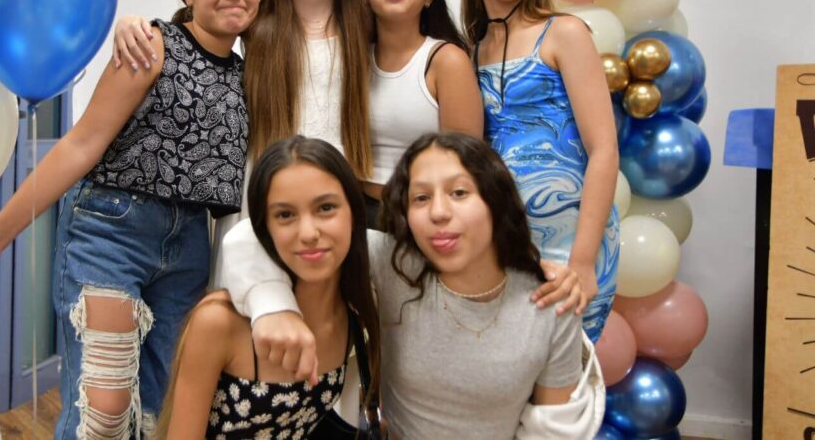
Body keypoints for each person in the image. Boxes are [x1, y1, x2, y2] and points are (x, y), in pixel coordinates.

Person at [0, 0, 264, 438]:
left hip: (191, 247)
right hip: (111, 231)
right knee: (103, 410)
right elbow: (81, 144)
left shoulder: (249, 74)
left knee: (163, 408)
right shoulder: (151, 46)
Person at [222, 132, 599, 438]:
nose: (438, 212)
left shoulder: (552, 298)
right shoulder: (393, 263)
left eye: (459, 193)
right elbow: (251, 235)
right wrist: (273, 307)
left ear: (495, 199)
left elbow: (555, 430)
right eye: (421, 198)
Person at [111, 0, 375, 278]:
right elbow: (194, 33)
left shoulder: (365, 18)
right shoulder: (259, 13)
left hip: (334, 190)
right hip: (262, 187)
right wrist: (132, 23)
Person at [437, 0, 620, 340]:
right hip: (505, 246)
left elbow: (604, 150)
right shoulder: (469, 52)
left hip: (572, 247)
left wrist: (583, 261)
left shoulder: (564, 34)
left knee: (567, 373)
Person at [154, 137, 380, 439]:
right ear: (263, 229)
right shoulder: (219, 322)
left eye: (326, 208)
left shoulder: (353, 315)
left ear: (353, 213)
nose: (308, 233)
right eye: (285, 215)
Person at [361, 0, 481, 227]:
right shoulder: (353, 58)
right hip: (355, 214)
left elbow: (465, 165)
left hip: (421, 220)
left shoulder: (446, 60)